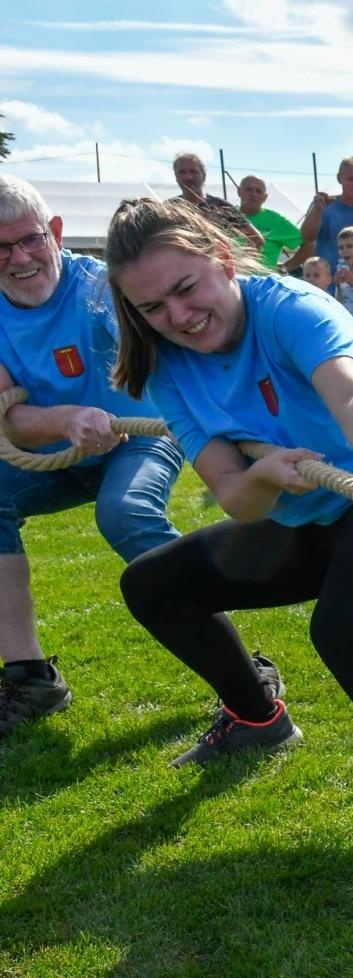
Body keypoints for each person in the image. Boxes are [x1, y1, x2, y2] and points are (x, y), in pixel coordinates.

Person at [102, 196, 353, 934]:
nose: (180, 315)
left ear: (222, 262)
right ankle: (257, 716)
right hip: (307, 516)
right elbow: (234, 495)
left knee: (349, 631)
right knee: (155, 584)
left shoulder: (287, 305)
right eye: (153, 305)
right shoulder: (165, 369)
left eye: (187, 288)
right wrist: (269, 475)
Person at [0, 175, 185, 737]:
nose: (19, 258)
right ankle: (30, 675)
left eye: (30, 239)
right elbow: (8, 419)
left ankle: (239, 666)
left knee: (125, 513)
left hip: (139, 439)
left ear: (55, 232)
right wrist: (66, 420)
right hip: (55, 450)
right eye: (0, 248)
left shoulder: (101, 288)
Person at [300, 156, 353, 272]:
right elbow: (307, 237)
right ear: (339, 178)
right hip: (327, 288)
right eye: (352, 179)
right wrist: (317, 210)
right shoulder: (323, 206)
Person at [170, 152, 262, 253]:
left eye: (193, 171)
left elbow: (256, 239)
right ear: (176, 176)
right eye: (182, 172)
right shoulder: (168, 209)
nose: (188, 177)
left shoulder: (220, 206)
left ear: (203, 176)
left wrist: (239, 264)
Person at [236, 174, 303, 272]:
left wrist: (286, 267)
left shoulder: (276, 221)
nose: (253, 194)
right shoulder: (226, 215)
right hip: (229, 283)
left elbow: (310, 245)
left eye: (259, 191)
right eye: (249, 189)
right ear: (239, 191)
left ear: (265, 197)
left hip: (262, 285)